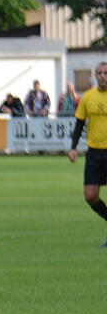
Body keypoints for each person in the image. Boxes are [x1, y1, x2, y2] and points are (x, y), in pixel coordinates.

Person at [68, 60, 107, 247]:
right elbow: (79, 124)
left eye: (105, 73)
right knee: (90, 196)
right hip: (94, 153)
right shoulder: (88, 97)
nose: (102, 76)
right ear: (95, 75)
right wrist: (73, 147)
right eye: (99, 73)